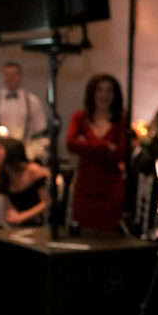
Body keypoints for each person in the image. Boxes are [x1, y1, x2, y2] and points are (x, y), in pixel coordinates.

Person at [66, 73, 127, 234]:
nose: (104, 95)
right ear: (92, 93)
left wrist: (86, 144)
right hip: (86, 184)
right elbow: (71, 144)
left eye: (109, 91)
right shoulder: (79, 117)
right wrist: (106, 146)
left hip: (111, 185)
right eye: (100, 90)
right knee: (84, 231)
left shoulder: (120, 120)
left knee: (109, 233)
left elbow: (121, 152)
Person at [0, 60, 48, 162]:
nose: (10, 78)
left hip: (26, 155)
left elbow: (41, 130)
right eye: (7, 74)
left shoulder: (33, 101)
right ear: (3, 76)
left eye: (14, 74)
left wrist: (39, 154)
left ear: (20, 76)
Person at [0, 138, 48, 226]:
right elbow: (9, 203)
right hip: (21, 225)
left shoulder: (33, 170)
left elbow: (47, 202)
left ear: (11, 151)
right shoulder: (4, 172)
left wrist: (22, 216)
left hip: (40, 223)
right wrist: (13, 214)